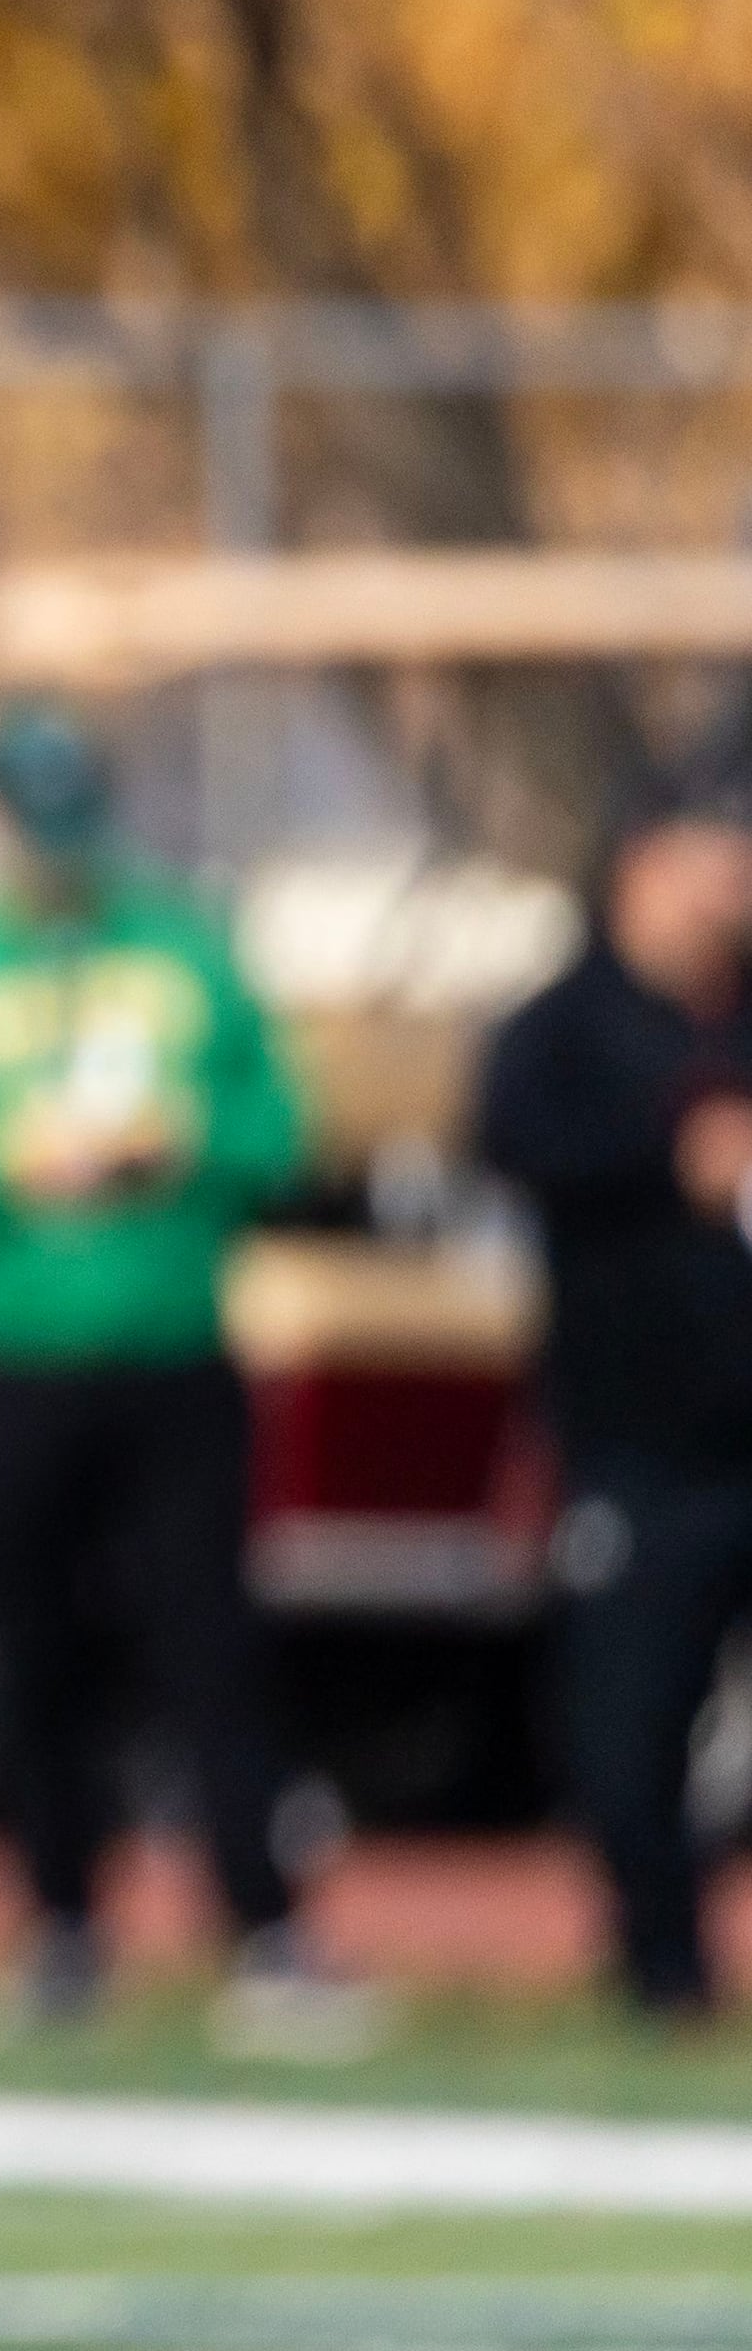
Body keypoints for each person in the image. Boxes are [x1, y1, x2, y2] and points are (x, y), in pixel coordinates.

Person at [0, 700, 372, 2055]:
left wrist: (184, 1140)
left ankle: (268, 1927)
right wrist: (6, 1165)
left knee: (209, 1644)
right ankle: (61, 1925)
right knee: (33, 1649)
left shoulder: (182, 944)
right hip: (6, 1353)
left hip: (172, 1346)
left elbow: (281, 1125)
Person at [474, 758, 752, 2022]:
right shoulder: (563, 1028)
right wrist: (669, 1157)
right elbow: (514, 1141)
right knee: (625, 1735)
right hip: (637, 1441)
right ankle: (662, 1976)